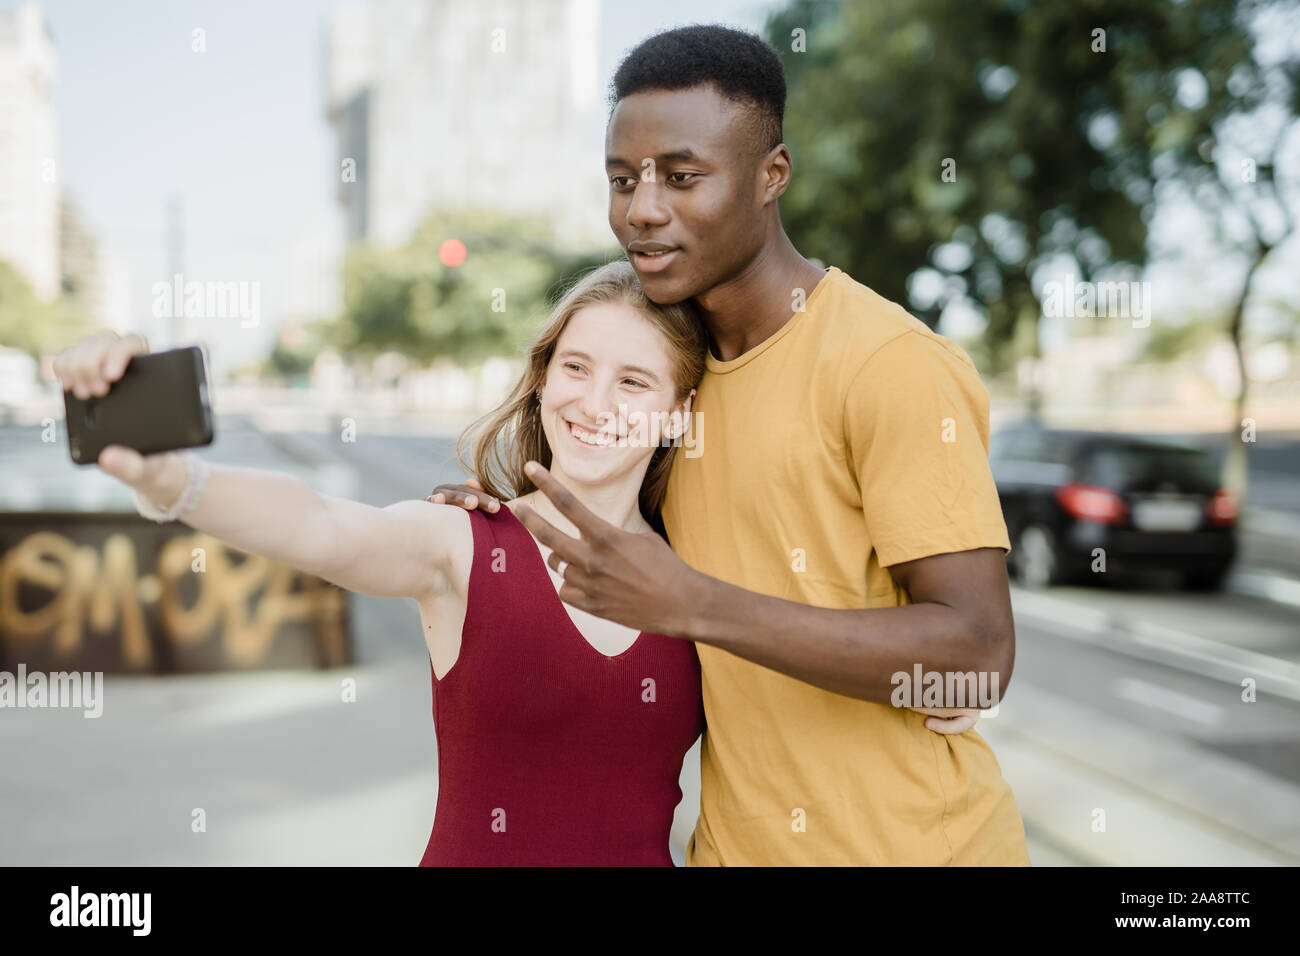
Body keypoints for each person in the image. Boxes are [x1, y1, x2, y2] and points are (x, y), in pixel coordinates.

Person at [431, 25, 1032, 866]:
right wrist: (495, 510)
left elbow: (976, 660)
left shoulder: (887, 365)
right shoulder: (673, 384)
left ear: (770, 175)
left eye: (682, 177)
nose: (642, 208)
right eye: (622, 179)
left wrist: (693, 602)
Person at [54, 261, 712, 866]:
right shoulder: (463, 542)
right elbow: (321, 525)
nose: (595, 404)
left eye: (632, 381)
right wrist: (170, 480)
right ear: (542, 382)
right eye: (576, 368)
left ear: (679, 414)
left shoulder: (701, 578)